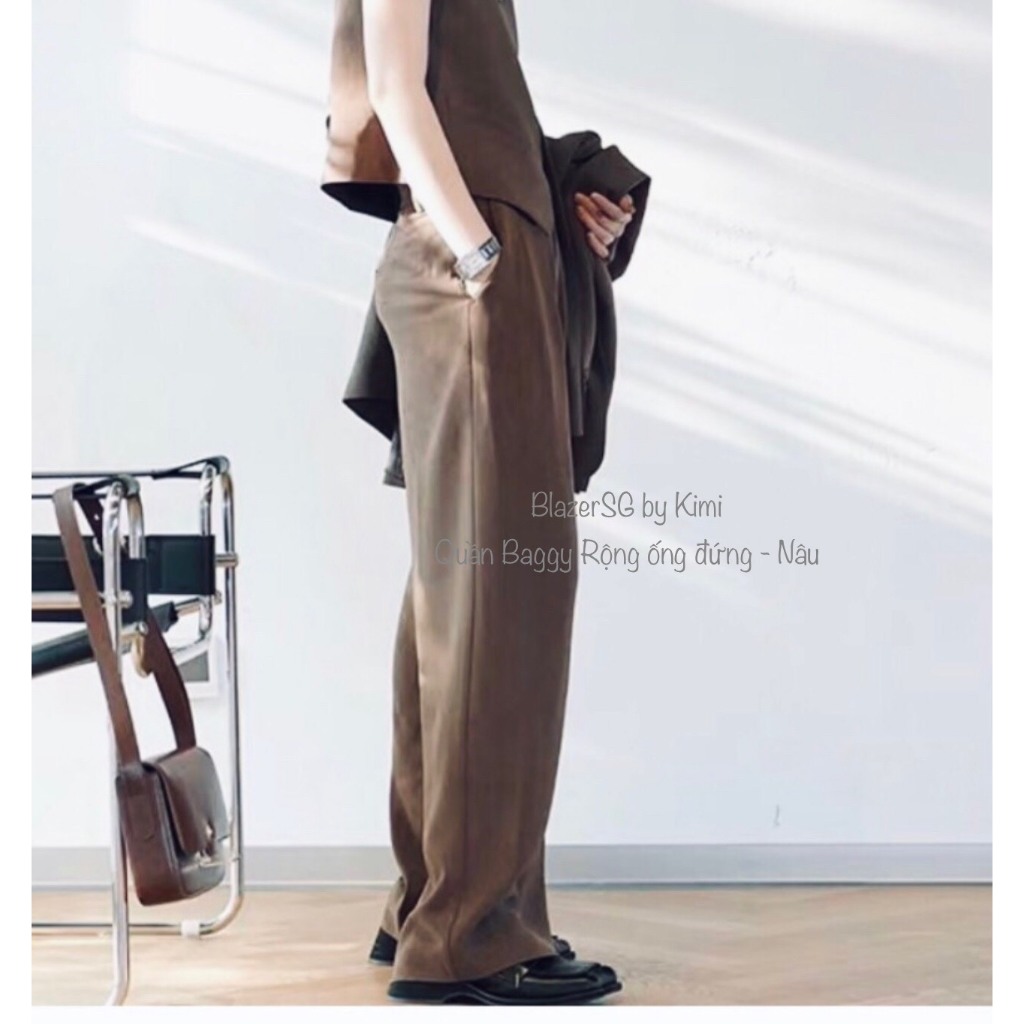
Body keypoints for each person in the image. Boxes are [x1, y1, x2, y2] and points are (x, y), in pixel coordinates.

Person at [321, 0, 634, 1005]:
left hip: (488, 256)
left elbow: (462, 100)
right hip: (473, 270)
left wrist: (564, 206)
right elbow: (393, 84)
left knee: (460, 598)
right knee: (504, 601)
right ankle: (470, 935)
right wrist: (480, 250)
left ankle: (432, 903)